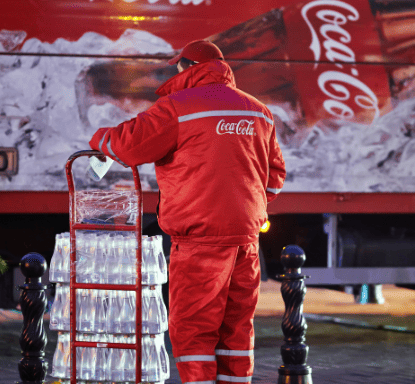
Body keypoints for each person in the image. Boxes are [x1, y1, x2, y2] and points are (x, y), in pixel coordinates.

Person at [88, 40, 286, 384]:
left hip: (200, 240)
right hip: (246, 239)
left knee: (194, 331)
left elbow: (128, 146)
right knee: (237, 329)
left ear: (186, 67)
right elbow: (274, 177)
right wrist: (244, 206)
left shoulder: (178, 107)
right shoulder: (258, 111)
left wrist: (99, 139)